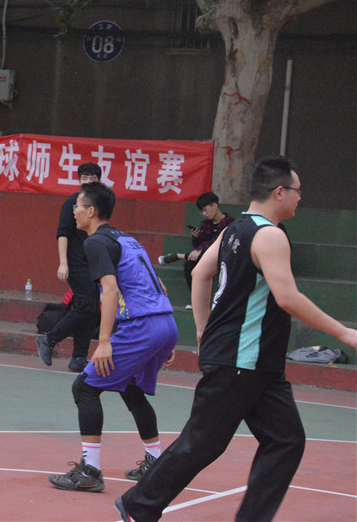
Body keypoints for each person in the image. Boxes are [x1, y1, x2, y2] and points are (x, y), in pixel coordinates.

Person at [115, 157, 357, 522]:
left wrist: (202, 329)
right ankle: (138, 506)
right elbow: (287, 297)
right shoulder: (269, 235)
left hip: (258, 364)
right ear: (279, 192)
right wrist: (344, 332)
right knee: (202, 442)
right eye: (297, 191)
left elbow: (201, 273)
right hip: (241, 360)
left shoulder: (234, 229)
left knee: (286, 440)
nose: (300, 198)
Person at [47, 181, 178, 494]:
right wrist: (164, 337)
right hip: (164, 321)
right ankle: (154, 462)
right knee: (131, 388)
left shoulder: (96, 243)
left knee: (85, 388)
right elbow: (159, 284)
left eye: (78, 206)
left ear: (91, 211)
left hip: (142, 325)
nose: (74, 211)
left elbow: (110, 289)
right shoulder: (127, 239)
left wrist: (104, 341)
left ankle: (89, 471)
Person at [37, 162, 102, 372]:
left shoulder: (100, 205)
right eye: (85, 178)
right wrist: (63, 263)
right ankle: (49, 339)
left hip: (94, 264)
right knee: (86, 306)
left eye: (93, 178)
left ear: (99, 181)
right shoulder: (72, 203)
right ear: (79, 181)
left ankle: (79, 357)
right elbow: (62, 233)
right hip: (75, 263)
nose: (89, 182)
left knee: (91, 310)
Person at [158, 191, 233, 296]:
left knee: (208, 252)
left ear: (215, 206)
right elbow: (198, 245)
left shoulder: (230, 223)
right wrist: (196, 237)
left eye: (205, 210)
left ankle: (180, 256)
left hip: (222, 255)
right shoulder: (205, 223)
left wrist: (199, 249)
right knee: (189, 265)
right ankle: (195, 298)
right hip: (205, 256)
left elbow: (218, 241)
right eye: (202, 211)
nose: (204, 214)